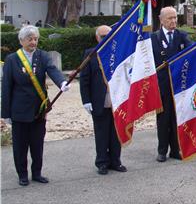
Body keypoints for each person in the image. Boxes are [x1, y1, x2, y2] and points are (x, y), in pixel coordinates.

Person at [1, 25, 70, 186]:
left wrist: (62, 82)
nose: (33, 42)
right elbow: (6, 87)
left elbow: (52, 70)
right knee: (20, 146)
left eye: (35, 39)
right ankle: (22, 174)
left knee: (37, 144)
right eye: (30, 39)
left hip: (39, 109)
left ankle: (37, 173)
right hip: (19, 110)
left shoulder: (42, 56)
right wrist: (5, 113)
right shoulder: (12, 59)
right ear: (21, 41)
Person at [79, 25, 127, 175]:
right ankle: (102, 163)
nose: (105, 38)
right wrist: (86, 100)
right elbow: (84, 80)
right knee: (101, 134)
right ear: (97, 38)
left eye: (108, 35)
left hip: (116, 102)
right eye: (102, 36)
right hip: (99, 101)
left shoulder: (118, 53)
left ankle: (115, 161)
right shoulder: (90, 54)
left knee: (116, 133)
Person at [151, 6, 191, 162]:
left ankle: (176, 149)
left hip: (178, 85)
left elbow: (193, 51)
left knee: (176, 118)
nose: (174, 21)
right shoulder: (153, 38)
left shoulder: (182, 36)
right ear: (161, 20)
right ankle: (162, 150)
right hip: (161, 86)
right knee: (163, 119)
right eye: (170, 18)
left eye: (175, 17)